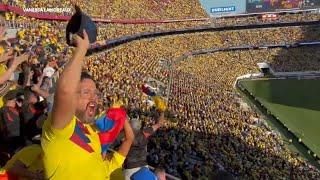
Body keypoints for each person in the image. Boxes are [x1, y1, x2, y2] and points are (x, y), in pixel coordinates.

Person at [41, 30, 134, 179]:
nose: (94, 98)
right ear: (73, 98)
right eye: (86, 92)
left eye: (95, 93)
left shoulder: (93, 133)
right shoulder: (62, 126)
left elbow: (102, 165)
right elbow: (65, 91)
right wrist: (81, 49)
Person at [123, 111, 166, 179]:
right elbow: (159, 124)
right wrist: (162, 111)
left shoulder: (124, 137)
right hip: (143, 167)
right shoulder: (144, 134)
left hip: (129, 168)